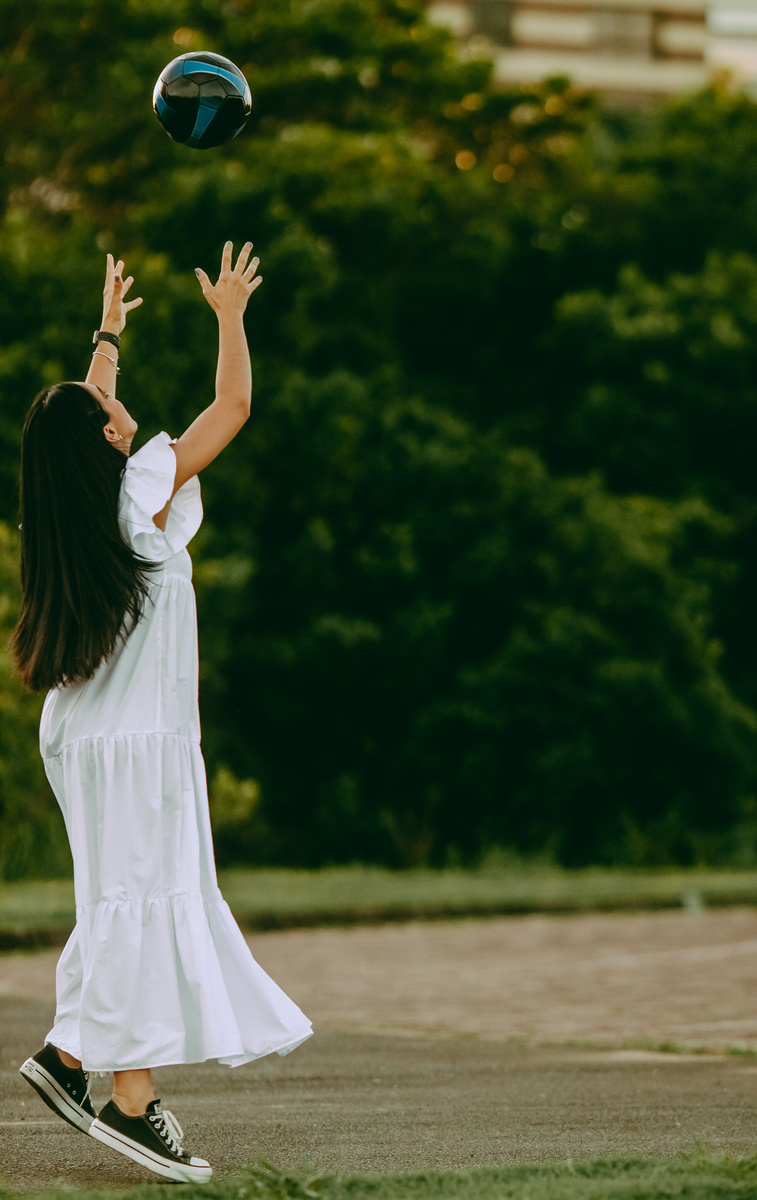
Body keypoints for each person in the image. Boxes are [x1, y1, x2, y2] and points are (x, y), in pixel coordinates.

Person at [12, 245, 312, 1183]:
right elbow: (233, 410)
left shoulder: (71, 516)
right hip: (138, 745)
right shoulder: (141, 486)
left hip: (89, 739)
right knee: (140, 899)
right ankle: (128, 1101)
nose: (116, 405)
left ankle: (72, 1059)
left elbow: (77, 413)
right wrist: (230, 315)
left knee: (120, 900)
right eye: (108, 408)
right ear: (105, 443)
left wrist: (108, 334)